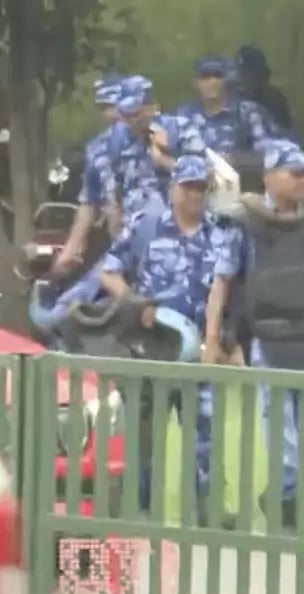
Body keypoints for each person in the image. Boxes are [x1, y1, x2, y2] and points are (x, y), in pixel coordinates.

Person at [204, 139, 304, 530]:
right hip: (269, 339)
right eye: (294, 173)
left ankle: (279, 494)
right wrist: (213, 339)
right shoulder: (246, 221)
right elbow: (221, 282)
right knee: (286, 439)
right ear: (269, 177)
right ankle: (286, 509)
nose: (303, 180)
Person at [97, 154, 237, 529]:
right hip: (153, 346)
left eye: (201, 188)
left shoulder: (219, 231)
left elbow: (226, 290)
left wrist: (221, 341)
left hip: (200, 350)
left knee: (205, 433)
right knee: (145, 438)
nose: (194, 195)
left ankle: (204, 509)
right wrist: (134, 303)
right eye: (188, 187)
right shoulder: (146, 226)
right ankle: (140, 509)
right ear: (173, 188)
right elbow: (108, 272)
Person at [101, 75, 207, 231]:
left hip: (177, 226)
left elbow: (205, 174)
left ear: (151, 108)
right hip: (134, 227)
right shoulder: (116, 139)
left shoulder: (179, 128)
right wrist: (114, 212)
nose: (130, 120)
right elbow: (114, 184)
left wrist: (164, 159)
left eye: (135, 114)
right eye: (125, 115)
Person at [52, 76, 124, 276]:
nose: (111, 112)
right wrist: (72, 248)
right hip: (112, 243)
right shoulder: (97, 148)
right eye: (105, 107)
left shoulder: (155, 141)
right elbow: (89, 203)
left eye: (115, 104)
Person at [175, 56, 275, 163]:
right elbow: (171, 154)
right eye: (205, 77)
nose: (212, 82)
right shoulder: (184, 115)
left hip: (239, 176)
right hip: (196, 176)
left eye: (218, 76)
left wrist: (235, 160)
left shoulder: (247, 112)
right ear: (195, 83)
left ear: (226, 80)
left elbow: (271, 154)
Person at [234, 45, 293, 136]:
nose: (242, 78)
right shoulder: (233, 96)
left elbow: (285, 135)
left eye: (247, 74)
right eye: (241, 73)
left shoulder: (274, 100)